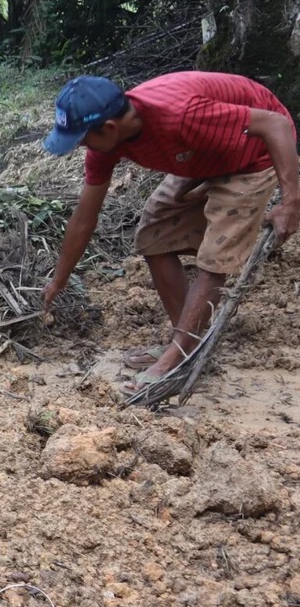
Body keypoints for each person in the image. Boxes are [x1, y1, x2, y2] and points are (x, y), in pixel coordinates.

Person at [40, 73, 300, 389]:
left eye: (81, 139)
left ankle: (175, 359)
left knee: (215, 255)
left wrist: (291, 202)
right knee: (154, 234)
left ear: (109, 128)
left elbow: (276, 124)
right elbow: (85, 215)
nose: (81, 147)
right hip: (204, 156)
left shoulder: (181, 115)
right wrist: (59, 280)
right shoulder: (106, 144)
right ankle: (187, 345)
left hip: (253, 154)